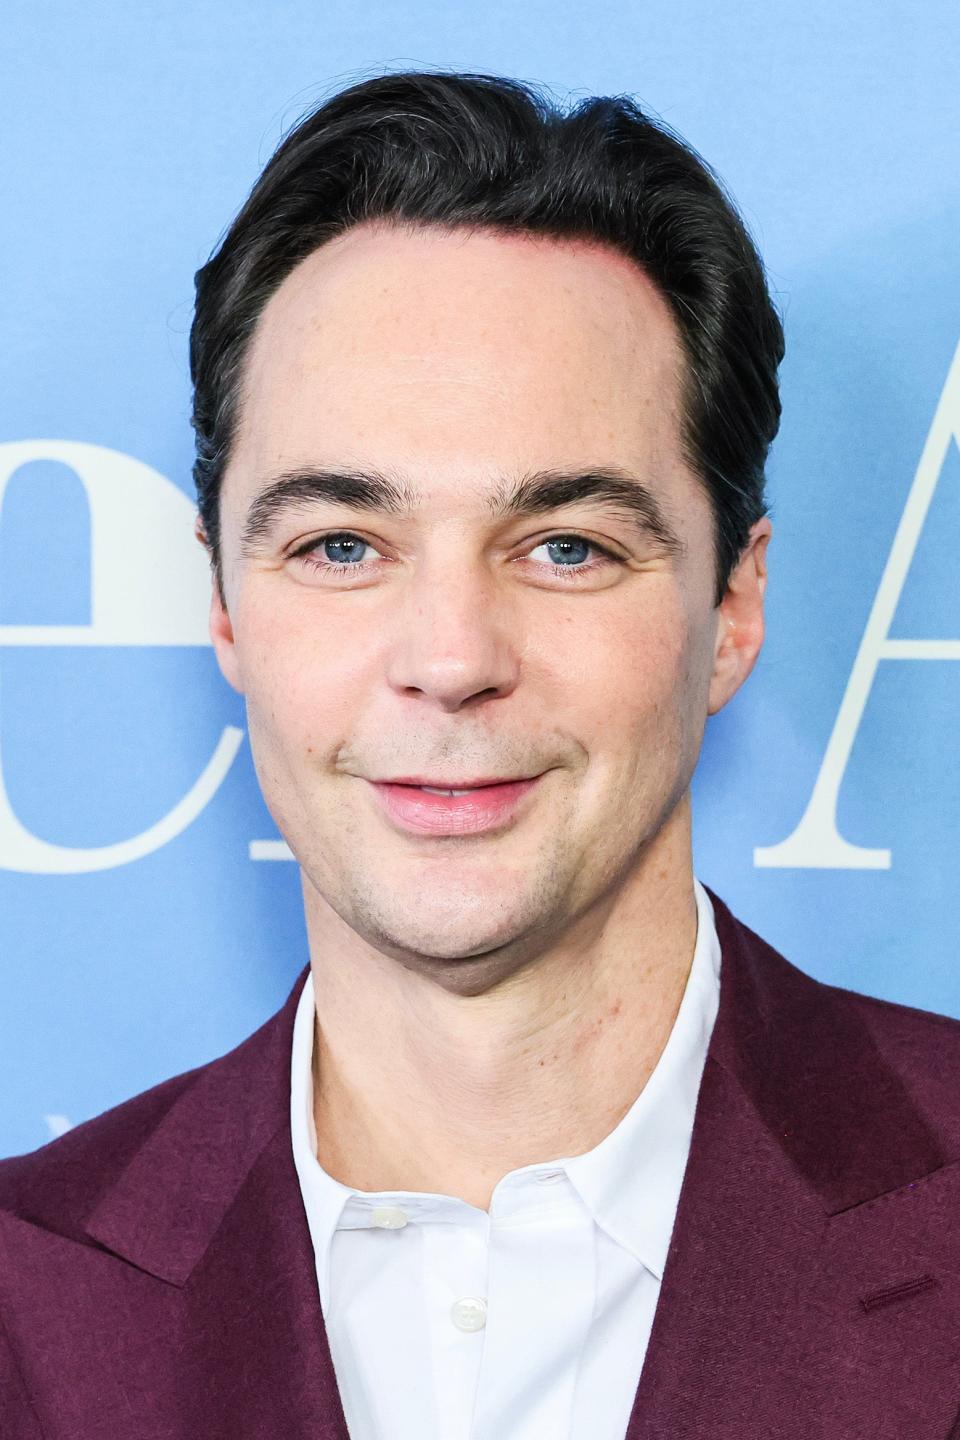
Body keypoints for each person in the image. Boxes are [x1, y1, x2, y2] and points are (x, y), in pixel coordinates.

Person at [2, 69, 959, 1440]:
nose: (451, 657)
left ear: (733, 608)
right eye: (342, 546)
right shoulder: (21, 1307)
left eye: (566, 547)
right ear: (223, 602)